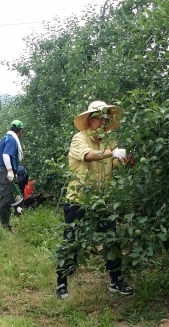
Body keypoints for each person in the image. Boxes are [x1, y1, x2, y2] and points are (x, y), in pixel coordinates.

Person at [55, 100, 135, 299]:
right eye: (98, 117)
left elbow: (118, 165)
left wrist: (127, 160)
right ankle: (61, 283)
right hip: (78, 199)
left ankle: (116, 281)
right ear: (90, 120)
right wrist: (111, 153)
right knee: (71, 240)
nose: (102, 121)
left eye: (105, 118)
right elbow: (87, 155)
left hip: (102, 201)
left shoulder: (110, 143)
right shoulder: (78, 139)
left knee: (111, 239)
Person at [0, 120, 24, 231]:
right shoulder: (12, 140)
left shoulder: (5, 138)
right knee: (4, 199)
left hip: (3, 171)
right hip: (6, 171)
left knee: (8, 200)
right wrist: (9, 171)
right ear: (20, 131)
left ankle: (5, 226)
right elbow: (6, 155)